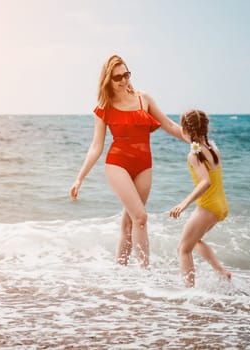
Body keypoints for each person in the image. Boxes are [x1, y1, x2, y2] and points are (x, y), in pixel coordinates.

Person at [69, 54, 185, 268]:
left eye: (126, 74)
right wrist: (79, 178)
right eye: (117, 77)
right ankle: (145, 272)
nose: (123, 80)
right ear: (108, 81)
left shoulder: (144, 99)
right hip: (117, 164)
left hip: (144, 165)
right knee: (140, 217)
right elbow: (96, 146)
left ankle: (119, 271)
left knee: (129, 222)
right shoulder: (104, 107)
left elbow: (169, 125)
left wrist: (194, 139)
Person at [169, 109, 231, 287]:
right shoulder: (213, 148)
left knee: (183, 249)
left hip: (207, 206)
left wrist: (184, 204)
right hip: (220, 206)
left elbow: (206, 182)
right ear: (206, 128)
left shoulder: (194, 155)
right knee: (194, 241)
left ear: (185, 129)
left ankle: (189, 292)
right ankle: (222, 272)